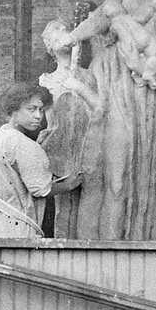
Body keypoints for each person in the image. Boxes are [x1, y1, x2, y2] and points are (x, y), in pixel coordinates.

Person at [50, 0, 156, 239]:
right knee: (108, 178)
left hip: (147, 98)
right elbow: (94, 22)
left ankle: (134, 246)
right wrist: (70, 39)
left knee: (139, 180)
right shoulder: (110, 2)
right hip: (110, 95)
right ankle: (100, 247)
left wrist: (146, 69)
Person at [0, 83, 82, 239]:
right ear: (14, 110)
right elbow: (42, 190)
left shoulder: (2, 133)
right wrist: (70, 184)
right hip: (17, 226)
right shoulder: (24, 145)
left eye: (41, 110)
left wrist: (36, 147)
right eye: (31, 109)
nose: (38, 116)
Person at [38, 20, 104, 238]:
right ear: (49, 46)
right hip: (63, 151)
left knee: (89, 208)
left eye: (66, 29)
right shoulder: (46, 81)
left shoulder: (88, 76)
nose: (64, 33)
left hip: (88, 147)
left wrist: (78, 87)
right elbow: (50, 123)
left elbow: (99, 108)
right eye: (56, 31)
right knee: (63, 210)